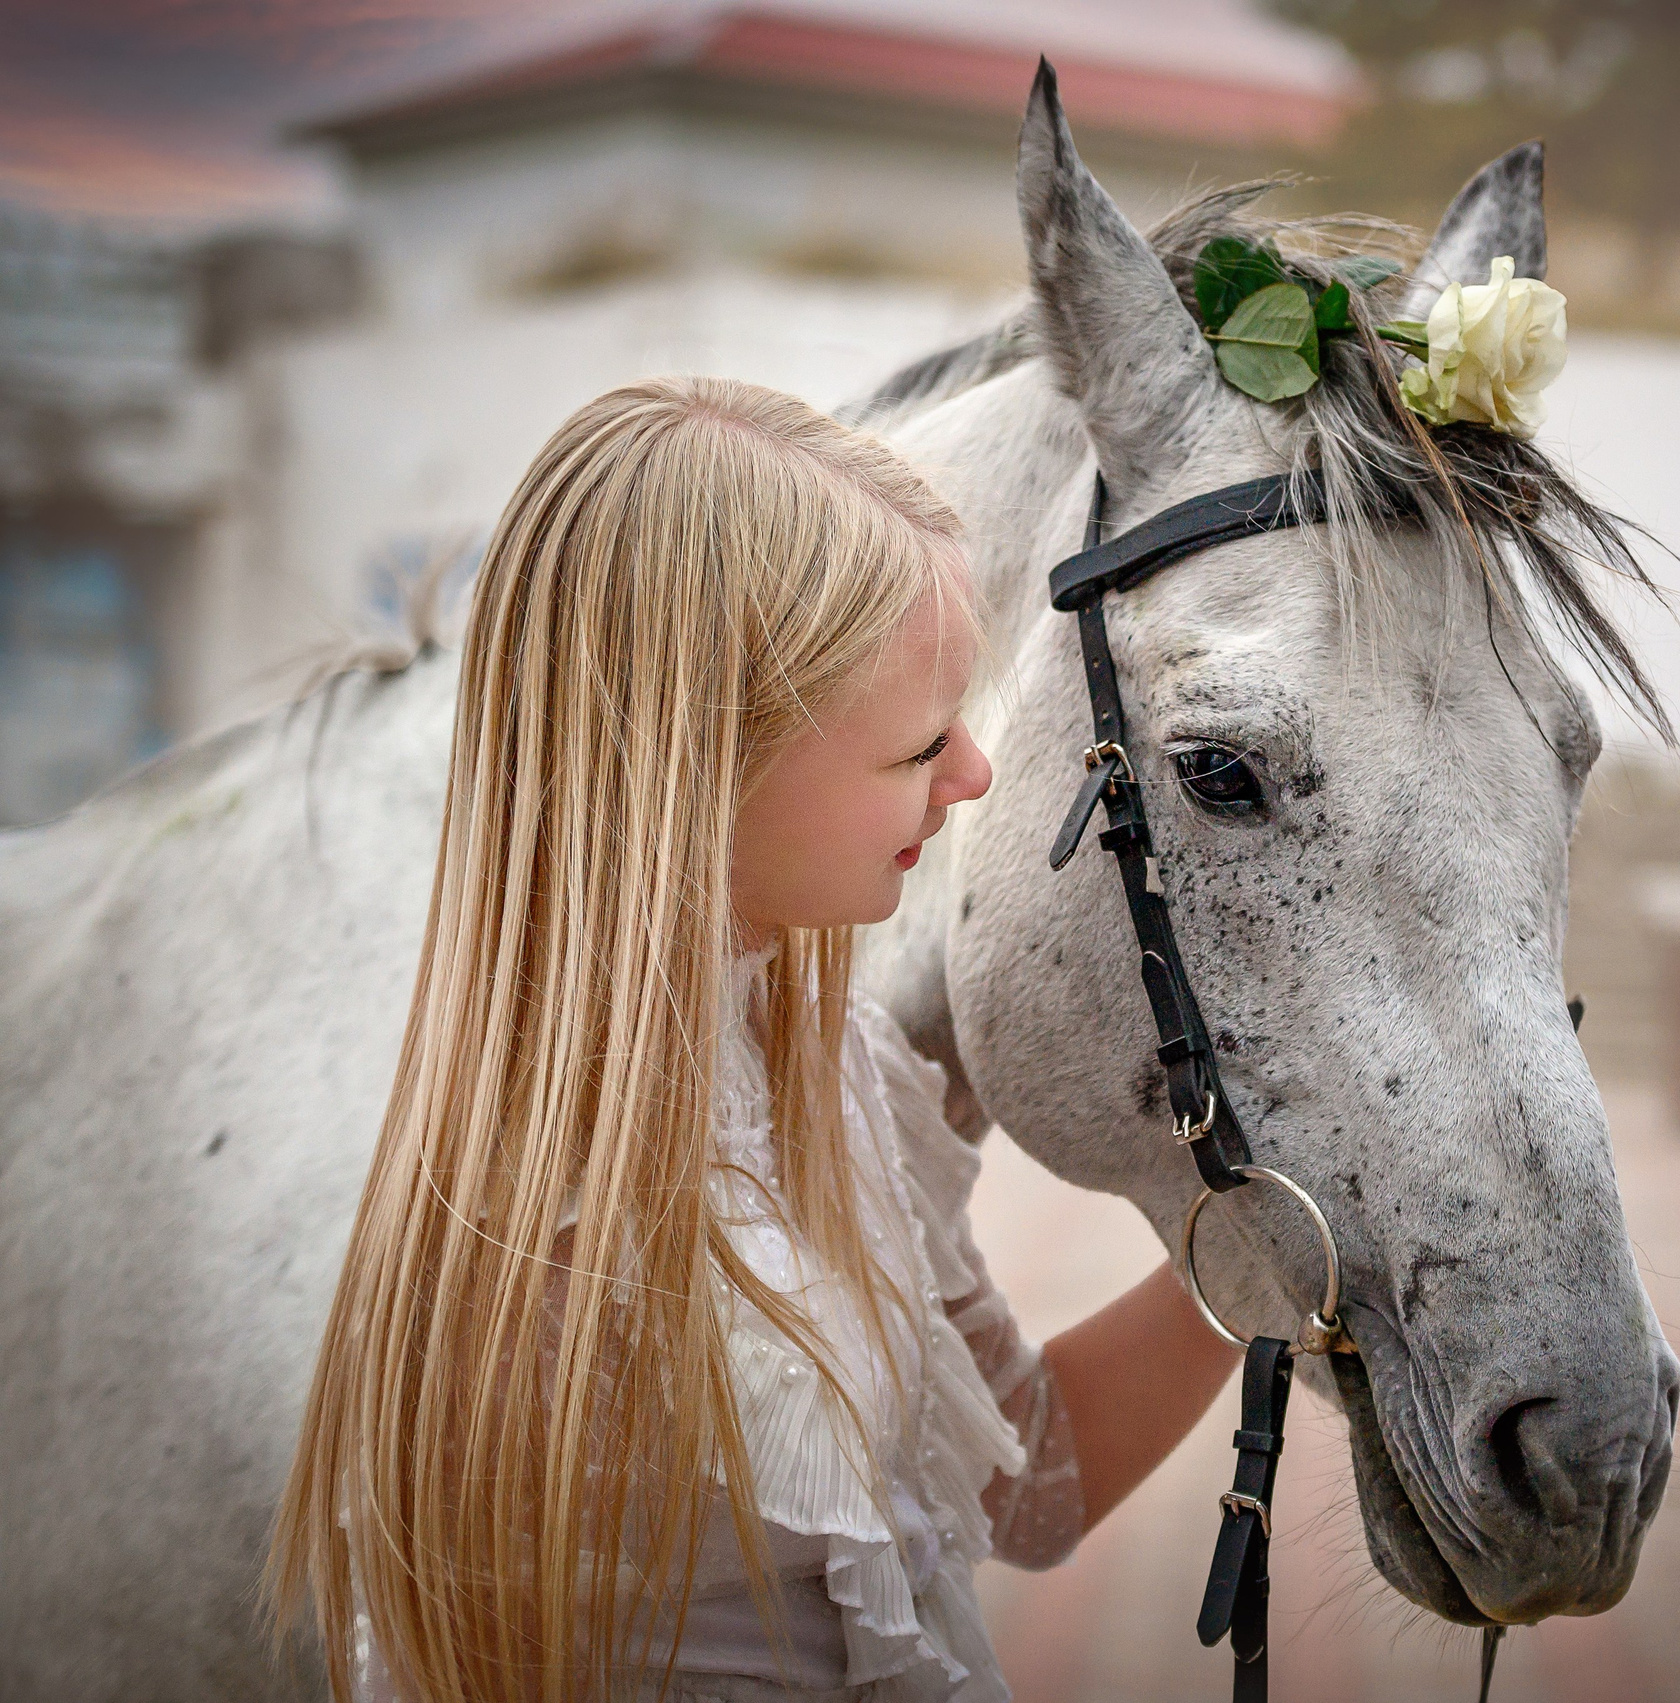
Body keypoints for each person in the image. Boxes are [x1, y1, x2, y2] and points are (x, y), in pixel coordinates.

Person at [266, 377, 1240, 1703]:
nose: (973, 774)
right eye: (915, 745)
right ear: (701, 758)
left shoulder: (827, 1059)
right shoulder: (536, 1228)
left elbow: (1027, 1470)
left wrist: (1253, 1255)